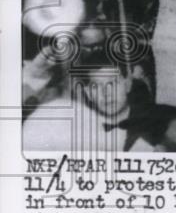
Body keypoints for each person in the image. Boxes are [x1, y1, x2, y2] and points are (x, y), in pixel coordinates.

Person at [23, 65, 155, 152]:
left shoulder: (154, 128)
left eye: (112, 83)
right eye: (96, 86)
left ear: (127, 85)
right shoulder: (77, 131)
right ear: (88, 93)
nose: (106, 93)